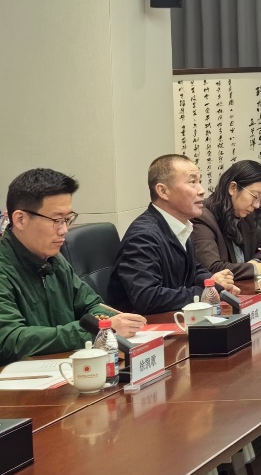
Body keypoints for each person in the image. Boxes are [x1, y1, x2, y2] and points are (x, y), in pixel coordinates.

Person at [0, 169, 145, 363]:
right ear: (20, 219)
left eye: (67, 219)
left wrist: (109, 321)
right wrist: (99, 330)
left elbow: (91, 305)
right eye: (56, 220)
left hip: (66, 367)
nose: (64, 230)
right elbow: (11, 340)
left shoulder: (54, 259)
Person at [110, 155, 239, 314]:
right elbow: (147, 298)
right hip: (147, 325)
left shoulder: (180, 225)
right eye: (192, 182)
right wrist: (204, 293)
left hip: (176, 318)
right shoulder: (143, 237)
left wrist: (211, 283)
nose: (201, 190)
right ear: (163, 191)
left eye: (199, 181)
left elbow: (192, 269)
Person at [192, 160, 261, 280]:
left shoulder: (246, 215)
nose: (256, 205)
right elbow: (211, 268)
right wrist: (256, 269)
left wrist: (253, 263)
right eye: (255, 196)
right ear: (233, 188)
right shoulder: (203, 217)